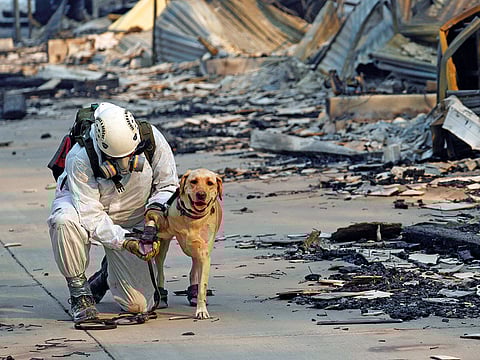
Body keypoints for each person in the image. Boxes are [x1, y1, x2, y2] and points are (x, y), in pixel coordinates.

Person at [47, 102, 178, 323]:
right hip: (84, 209)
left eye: (130, 155)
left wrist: (154, 213)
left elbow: (168, 185)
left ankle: (107, 274)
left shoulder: (152, 138)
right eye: (116, 159)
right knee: (63, 220)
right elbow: (91, 216)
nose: (125, 165)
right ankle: (80, 292)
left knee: (138, 305)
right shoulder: (80, 157)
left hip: (134, 216)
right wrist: (124, 241)